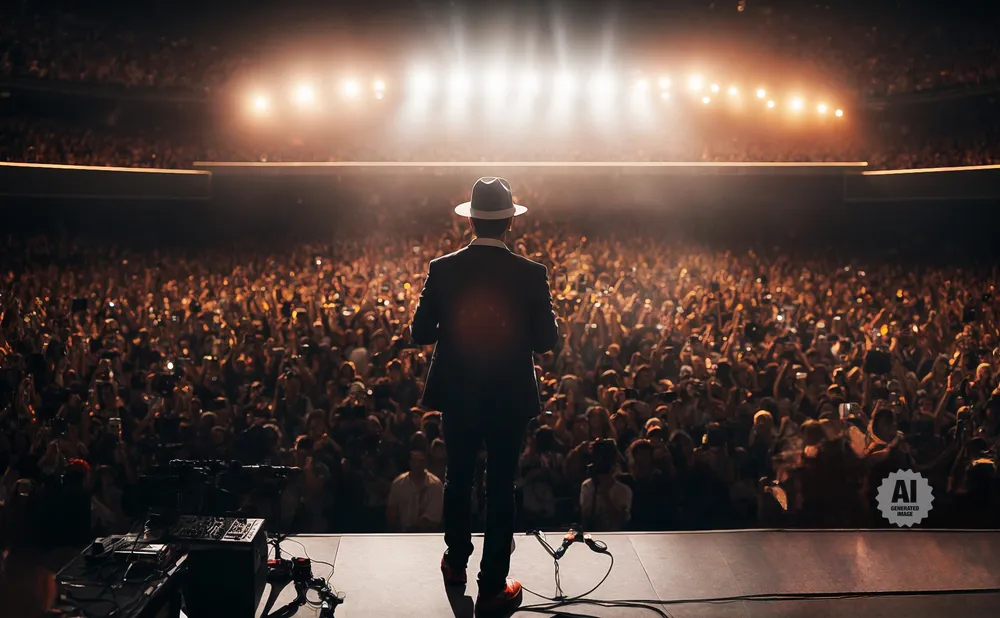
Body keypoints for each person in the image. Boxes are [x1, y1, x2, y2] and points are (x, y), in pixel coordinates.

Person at [411, 177, 559, 616]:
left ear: (471, 220)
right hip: (508, 395)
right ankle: (494, 584)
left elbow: (420, 333)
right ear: (510, 221)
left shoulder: (443, 268)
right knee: (500, 486)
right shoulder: (532, 274)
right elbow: (547, 340)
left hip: (458, 390)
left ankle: (455, 564)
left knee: (458, 478)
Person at [386, 448, 443, 532]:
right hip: (401, 535)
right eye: (414, 461)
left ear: (426, 462)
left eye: (421, 461)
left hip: (428, 535)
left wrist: (412, 528)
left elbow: (433, 518)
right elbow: (392, 511)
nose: (417, 464)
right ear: (409, 462)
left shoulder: (435, 485)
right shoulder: (398, 483)